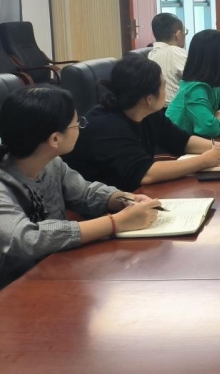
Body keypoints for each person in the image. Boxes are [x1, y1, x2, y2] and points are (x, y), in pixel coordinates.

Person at [0, 87, 159, 287]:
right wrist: (115, 223)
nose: (80, 128)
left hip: (55, 269)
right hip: (13, 290)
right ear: (55, 139)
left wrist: (124, 199)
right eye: (77, 123)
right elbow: (27, 238)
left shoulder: (51, 163)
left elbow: (84, 193)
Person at [63, 54, 220, 192]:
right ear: (149, 98)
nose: (166, 90)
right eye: (163, 85)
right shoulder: (108, 126)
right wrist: (203, 161)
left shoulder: (146, 112)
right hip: (99, 205)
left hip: (131, 193)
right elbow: (146, 173)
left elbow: (181, 140)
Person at [166, 29, 220, 137]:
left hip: (195, 141)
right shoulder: (195, 90)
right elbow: (209, 128)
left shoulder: (214, 86)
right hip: (175, 145)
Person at [147, 13, 188, 104]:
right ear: (178, 34)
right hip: (177, 110)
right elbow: (199, 79)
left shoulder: (151, 54)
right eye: (184, 32)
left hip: (159, 108)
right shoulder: (174, 52)